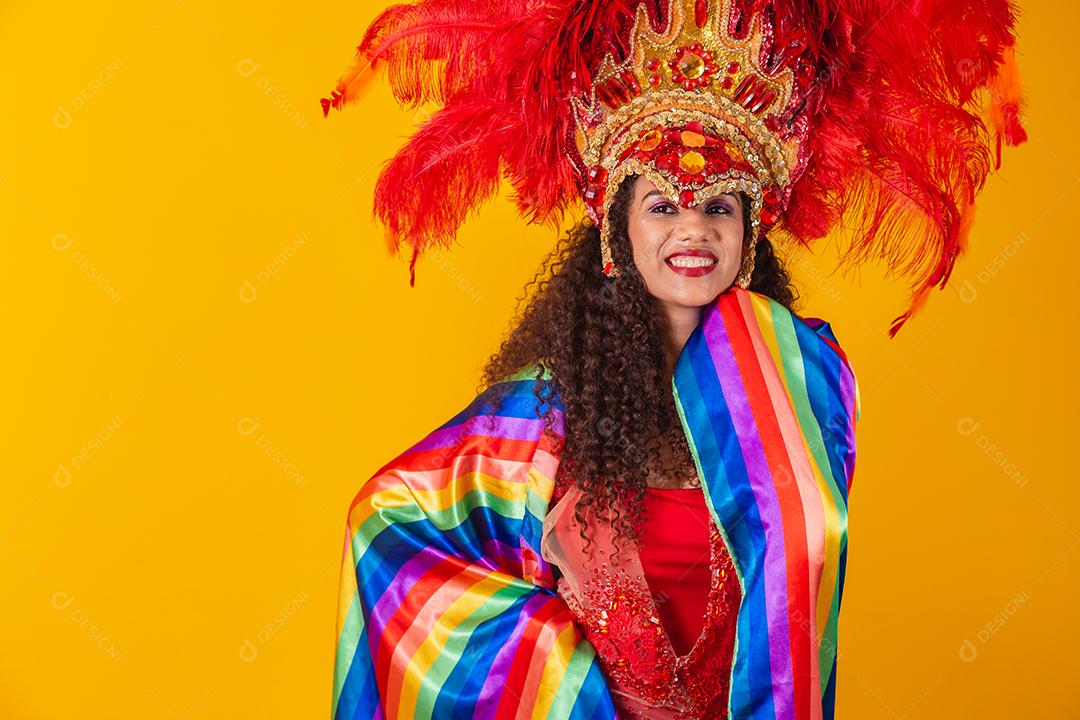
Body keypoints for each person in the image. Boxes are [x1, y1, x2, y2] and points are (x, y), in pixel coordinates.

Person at [320, 0, 1027, 717]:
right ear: (616, 228)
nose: (693, 229)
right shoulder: (535, 418)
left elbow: (804, 611)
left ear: (750, 231)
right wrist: (549, 666)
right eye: (662, 206)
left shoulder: (802, 386)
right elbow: (384, 525)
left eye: (720, 206)